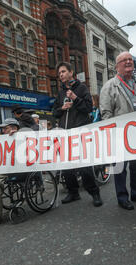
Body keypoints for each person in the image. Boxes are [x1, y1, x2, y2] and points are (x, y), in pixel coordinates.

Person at [100, 52, 136, 210]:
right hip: (120, 134)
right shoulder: (110, 85)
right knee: (119, 168)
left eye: (130, 59)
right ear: (117, 66)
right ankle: (122, 197)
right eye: (124, 60)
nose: (128, 62)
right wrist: (111, 133)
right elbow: (106, 113)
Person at [52, 62, 103, 207]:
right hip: (64, 134)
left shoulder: (81, 88)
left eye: (63, 71)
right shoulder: (60, 92)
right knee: (67, 167)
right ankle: (73, 192)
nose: (60, 74)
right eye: (59, 73)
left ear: (71, 72)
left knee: (84, 167)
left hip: (80, 132)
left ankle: (94, 193)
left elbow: (88, 108)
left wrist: (75, 98)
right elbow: (54, 112)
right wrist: (62, 108)